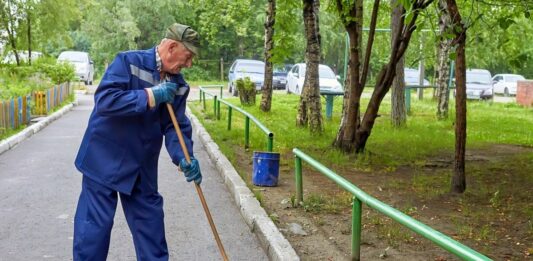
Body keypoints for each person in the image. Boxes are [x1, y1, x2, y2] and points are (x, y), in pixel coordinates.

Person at [73, 23, 202, 260]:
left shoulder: (179, 85)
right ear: (172, 47)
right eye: (188, 56)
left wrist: (185, 156)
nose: (189, 64)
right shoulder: (128, 62)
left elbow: (175, 126)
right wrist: (151, 95)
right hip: (104, 159)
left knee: (151, 230)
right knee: (94, 231)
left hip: (141, 166)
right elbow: (105, 101)